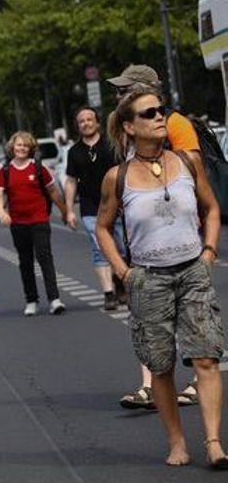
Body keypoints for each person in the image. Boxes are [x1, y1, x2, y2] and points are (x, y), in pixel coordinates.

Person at [96, 89, 225, 468]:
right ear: (129, 127)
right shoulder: (116, 177)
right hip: (148, 279)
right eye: (149, 113)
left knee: (207, 357)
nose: (159, 117)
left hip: (192, 272)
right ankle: (176, 442)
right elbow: (103, 228)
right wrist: (123, 271)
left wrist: (209, 251)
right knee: (161, 365)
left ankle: (214, 442)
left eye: (161, 110)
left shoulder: (187, 162)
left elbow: (212, 208)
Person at [107, 64, 202, 409]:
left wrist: (205, 250)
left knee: (189, 317)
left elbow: (195, 178)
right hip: (146, 244)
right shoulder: (130, 127)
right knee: (147, 316)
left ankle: (196, 380)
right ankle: (149, 385)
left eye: (123, 90)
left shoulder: (174, 124)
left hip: (183, 243)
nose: (116, 96)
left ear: (144, 89)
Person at [0, 131, 69, 316]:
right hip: (18, 223)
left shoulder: (39, 168)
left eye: (25, 146)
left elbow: (53, 192)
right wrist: (2, 212)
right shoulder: (5, 171)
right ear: (12, 147)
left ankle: (54, 299)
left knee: (45, 258)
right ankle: (31, 300)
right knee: (25, 262)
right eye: (19, 145)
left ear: (31, 149)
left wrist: (66, 211)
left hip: (39, 220)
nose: (21, 149)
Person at [63, 107, 125, 311]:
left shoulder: (111, 145)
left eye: (90, 119)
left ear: (97, 123)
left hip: (117, 205)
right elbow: (71, 181)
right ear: (77, 126)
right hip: (91, 209)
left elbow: (125, 172)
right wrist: (69, 210)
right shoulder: (74, 152)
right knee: (99, 248)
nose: (86, 123)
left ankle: (120, 282)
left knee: (122, 247)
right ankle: (108, 293)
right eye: (81, 121)